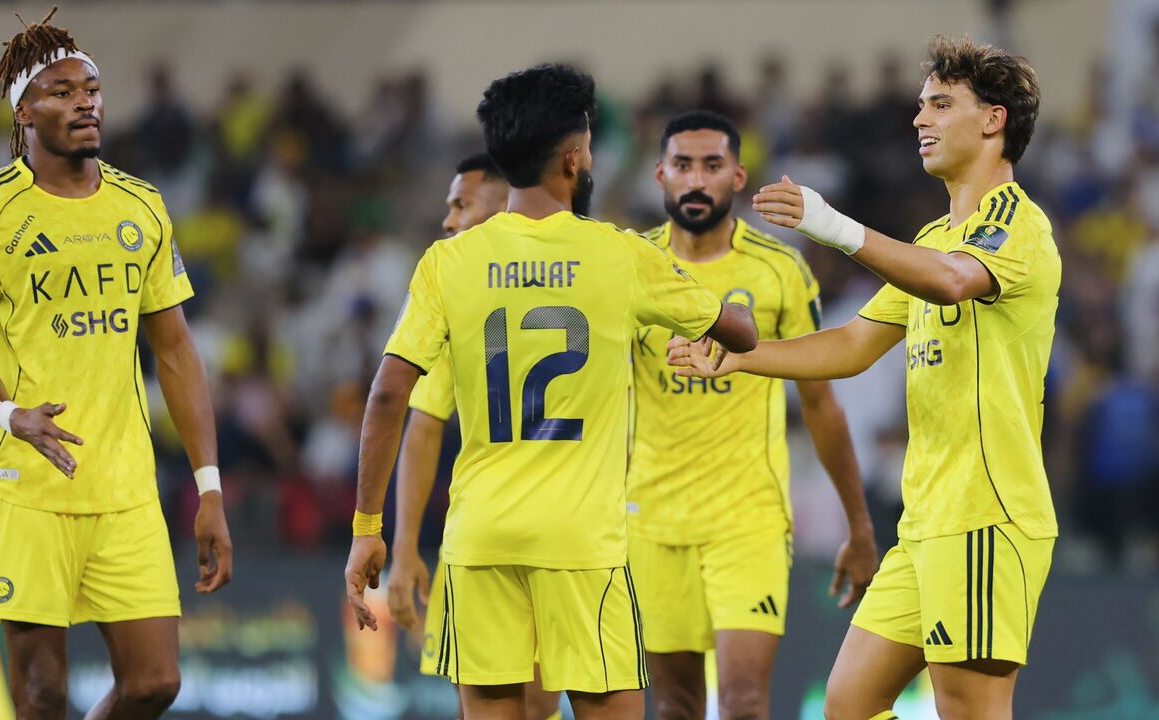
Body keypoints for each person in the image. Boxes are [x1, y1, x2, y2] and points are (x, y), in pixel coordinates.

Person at [344, 63, 758, 720]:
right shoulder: (618, 255)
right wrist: (735, 320)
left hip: (479, 541)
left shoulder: (448, 263)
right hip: (580, 546)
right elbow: (738, 329)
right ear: (572, 159)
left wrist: (369, 528)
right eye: (589, 142)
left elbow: (390, 396)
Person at [669, 36, 1056, 720]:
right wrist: (741, 356)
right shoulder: (935, 238)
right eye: (920, 105)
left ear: (993, 120)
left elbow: (953, 283)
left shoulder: (1016, 226)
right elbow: (851, 344)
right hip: (926, 522)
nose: (919, 120)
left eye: (941, 103)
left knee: (970, 709)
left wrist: (829, 224)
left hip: (984, 517)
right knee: (847, 703)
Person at [0, 10, 232, 718]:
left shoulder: (142, 207)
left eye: (92, 89)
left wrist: (209, 487)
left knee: (156, 683)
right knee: (42, 694)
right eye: (63, 91)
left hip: (125, 487)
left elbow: (176, 351)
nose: (86, 102)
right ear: (24, 111)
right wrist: (14, 416)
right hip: (24, 488)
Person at [628, 110, 878, 720]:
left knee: (743, 700)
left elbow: (821, 403)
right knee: (676, 706)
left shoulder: (778, 271)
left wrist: (859, 524)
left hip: (749, 519)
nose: (696, 179)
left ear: (738, 177)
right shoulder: (629, 266)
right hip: (651, 518)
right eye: (682, 165)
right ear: (659, 173)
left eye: (712, 165)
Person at [386, 153, 563, 720]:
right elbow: (424, 422)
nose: (448, 220)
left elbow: (414, 417)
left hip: (529, 533)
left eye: (461, 203)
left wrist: (404, 543)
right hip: (562, 534)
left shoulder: (462, 292)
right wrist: (406, 543)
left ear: (504, 201)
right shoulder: (587, 268)